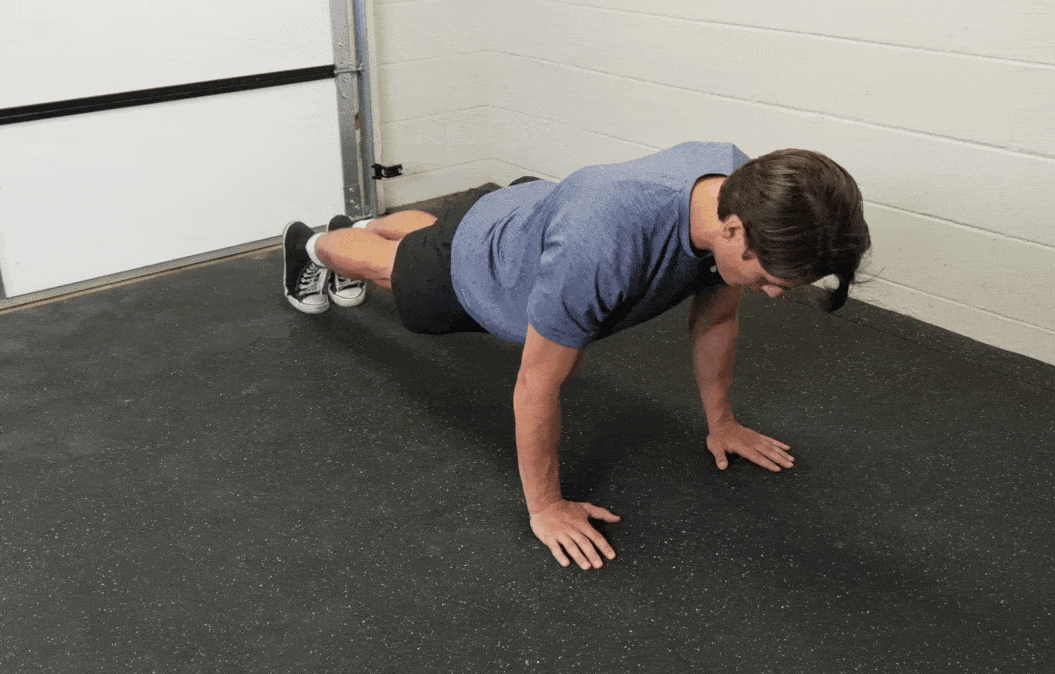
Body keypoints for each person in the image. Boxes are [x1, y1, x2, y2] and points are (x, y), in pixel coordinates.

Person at [281, 142, 871, 570]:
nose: (773, 295)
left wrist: (724, 423)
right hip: (488, 269)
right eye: (768, 279)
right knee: (393, 266)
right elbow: (536, 385)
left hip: (530, 211)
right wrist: (546, 507)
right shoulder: (601, 248)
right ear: (734, 230)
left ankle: (361, 224)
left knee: (439, 229)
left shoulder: (740, 184)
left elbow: (716, 316)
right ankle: (311, 243)